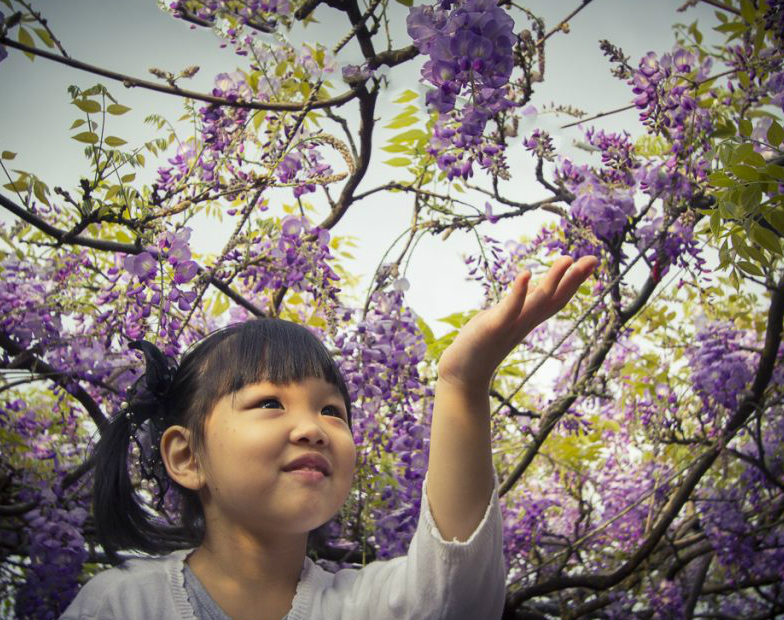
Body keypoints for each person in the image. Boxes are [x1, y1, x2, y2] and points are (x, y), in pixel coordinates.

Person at [60, 254, 598, 620]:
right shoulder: (121, 604)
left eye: (332, 410)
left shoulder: (359, 602)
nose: (312, 428)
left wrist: (462, 383)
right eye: (270, 402)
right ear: (186, 455)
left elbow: (456, 596)